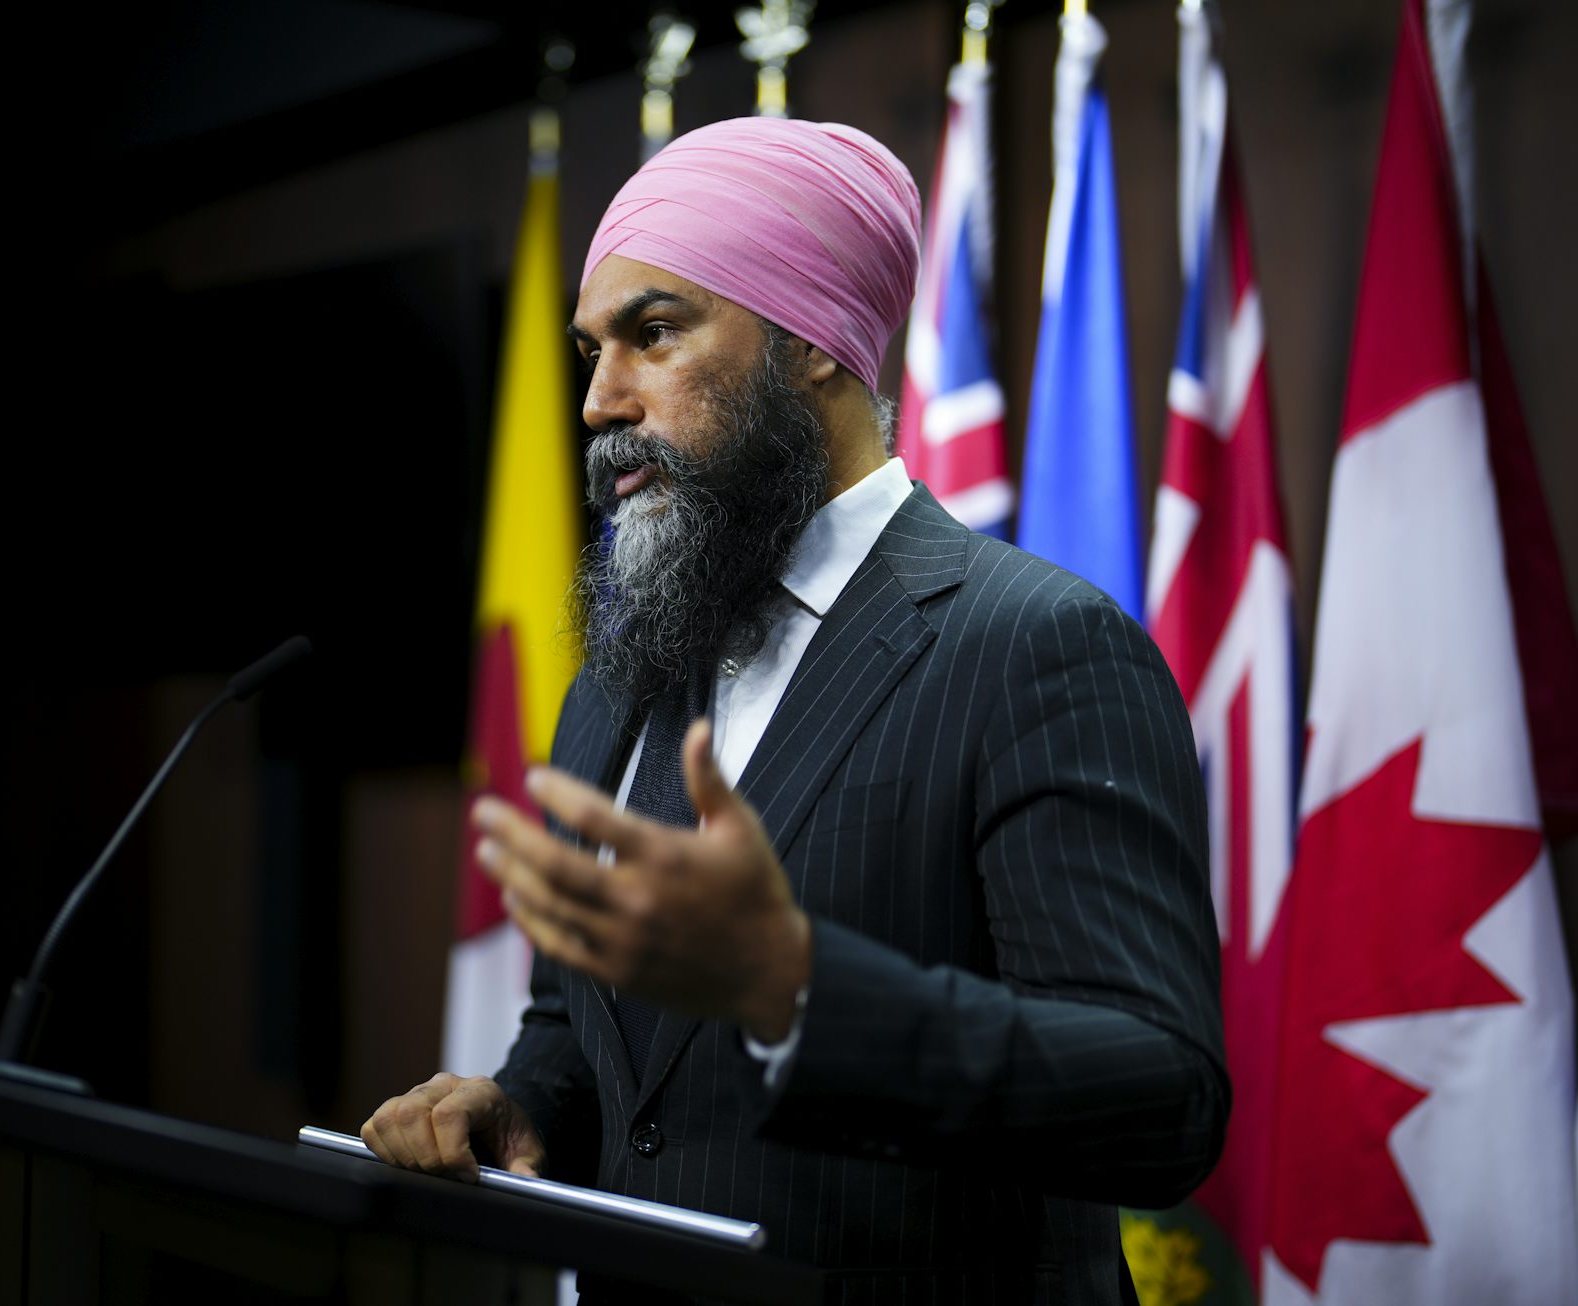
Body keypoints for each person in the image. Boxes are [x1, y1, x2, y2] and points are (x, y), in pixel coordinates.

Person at [362, 117, 1227, 1303]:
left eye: (652, 334)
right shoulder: (620, 675)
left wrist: (799, 991)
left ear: (812, 343)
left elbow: (1161, 1099)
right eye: (589, 352)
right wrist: (518, 1103)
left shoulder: (1038, 646)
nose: (599, 401)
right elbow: (589, 1027)